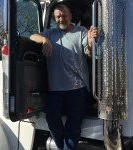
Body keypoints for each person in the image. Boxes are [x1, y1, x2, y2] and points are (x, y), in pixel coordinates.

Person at [30, 4, 98, 150]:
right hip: (56, 88)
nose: (61, 19)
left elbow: (89, 52)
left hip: (78, 88)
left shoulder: (81, 31)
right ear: (55, 19)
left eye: (64, 15)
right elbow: (32, 36)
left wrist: (91, 44)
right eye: (58, 16)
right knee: (52, 119)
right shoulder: (50, 33)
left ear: (70, 16)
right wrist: (44, 40)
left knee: (73, 125)